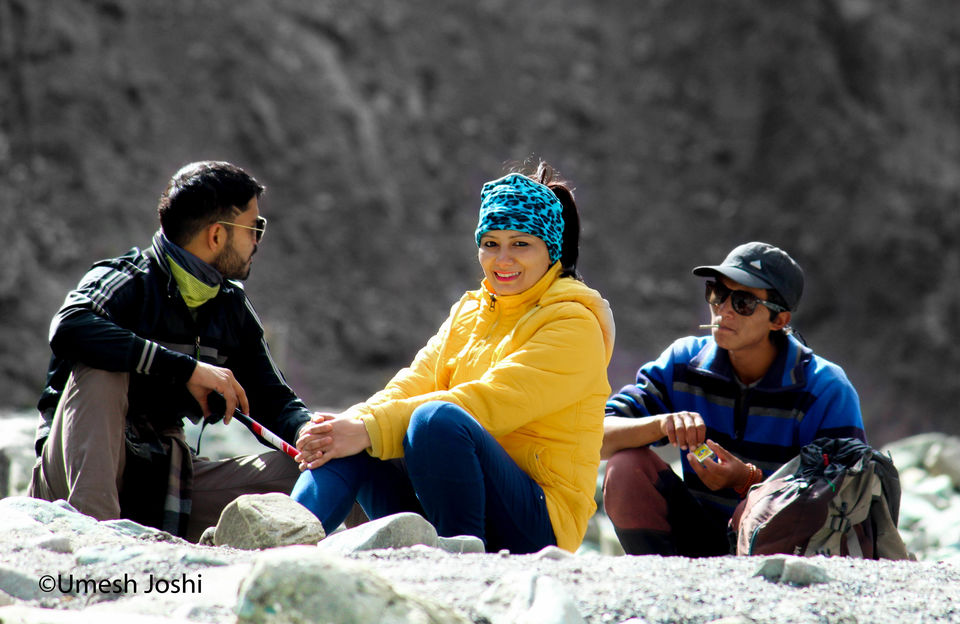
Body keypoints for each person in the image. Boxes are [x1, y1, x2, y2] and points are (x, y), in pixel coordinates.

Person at [292, 162, 615, 553]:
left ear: (552, 250)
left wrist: (367, 429)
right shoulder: (472, 311)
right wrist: (349, 425)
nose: (503, 260)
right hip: (448, 494)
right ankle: (284, 542)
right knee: (347, 434)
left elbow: (486, 403)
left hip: (537, 522)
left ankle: (462, 558)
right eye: (491, 244)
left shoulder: (573, 324)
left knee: (433, 421)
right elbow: (411, 383)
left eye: (521, 244)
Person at [29, 161, 312, 542]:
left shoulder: (230, 307)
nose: (257, 241)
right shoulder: (126, 280)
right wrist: (187, 370)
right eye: (254, 228)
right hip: (72, 478)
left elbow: (271, 398)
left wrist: (310, 432)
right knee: (104, 366)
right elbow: (69, 327)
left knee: (305, 470)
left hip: (168, 483)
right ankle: (95, 543)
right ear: (216, 236)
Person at [601, 242, 865, 556]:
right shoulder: (682, 363)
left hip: (785, 550)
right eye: (717, 294)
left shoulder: (824, 388)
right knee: (626, 467)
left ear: (779, 320)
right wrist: (661, 425)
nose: (723, 310)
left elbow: (846, 497)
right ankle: (664, 588)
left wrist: (749, 481)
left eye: (743, 302)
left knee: (752, 507)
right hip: (696, 537)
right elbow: (595, 437)